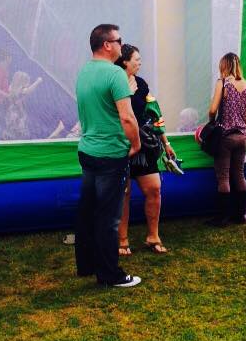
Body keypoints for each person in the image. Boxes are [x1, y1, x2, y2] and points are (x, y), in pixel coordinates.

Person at [74, 24, 142, 288]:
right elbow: (127, 117)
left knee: (88, 211)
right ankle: (110, 274)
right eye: (119, 40)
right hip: (110, 154)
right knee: (108, 217)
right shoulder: (115, 74)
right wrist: (135, 143)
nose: (121, 45)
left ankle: (86, 265)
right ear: (107, 45)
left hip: (87, 151)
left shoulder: (84, 72)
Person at [115, 44, 176, 256]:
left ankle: (153, 236)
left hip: (143, 147)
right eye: (137, 59)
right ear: (125, 61)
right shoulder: (113, 83)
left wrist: (166, 143)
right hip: (120, 145)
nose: (140, 63)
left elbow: (154, 112)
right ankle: (122, 240)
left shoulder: (141, 84)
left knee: (154, 188)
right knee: (123, 193)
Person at [208, 53, 246, 225]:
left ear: (224, 66)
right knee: (239, 175)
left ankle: (222, 217)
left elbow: (213, 110)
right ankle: (240, 215)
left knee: (224, 177)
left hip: (225, 136)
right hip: (242, 136)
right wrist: (244, 134)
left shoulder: (223, 83)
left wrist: (211, 122)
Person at [3, 71, 42, 140]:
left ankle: (9, 138)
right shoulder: (21, 90)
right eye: (27, 82)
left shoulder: (11, 87)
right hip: (18, 113)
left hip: (12, 112)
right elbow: (28, 90)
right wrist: (38, 81)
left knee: (11, 127)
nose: (29, 84)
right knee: (19, 129)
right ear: (22, 82)